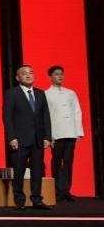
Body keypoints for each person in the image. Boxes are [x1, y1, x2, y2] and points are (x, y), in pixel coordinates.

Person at [3, 65, 53, 210]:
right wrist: (11, 137)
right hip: (19, 139)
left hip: (38, 139)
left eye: (31, 72)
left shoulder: (40, 93)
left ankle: (37, 199)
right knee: (19, 170)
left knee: (37, 170)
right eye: (24, 73)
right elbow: (7, 117)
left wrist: (47, 137)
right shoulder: (12, 93)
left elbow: (45, 116)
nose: (28, 75)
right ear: (17, 77)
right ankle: (19, 200)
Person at [46, 65, 83, 202]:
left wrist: (78, 132)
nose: (60, 76)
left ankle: (66, 190)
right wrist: (48, 135)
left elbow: (77, 112)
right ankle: (56, 190)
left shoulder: (71, 93)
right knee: (56, 161)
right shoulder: (46, 94)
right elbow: (46, 116)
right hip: (56, 133)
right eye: (56, 74)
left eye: (61, 74)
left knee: (68, 161)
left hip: (70, 132)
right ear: (50, 77)